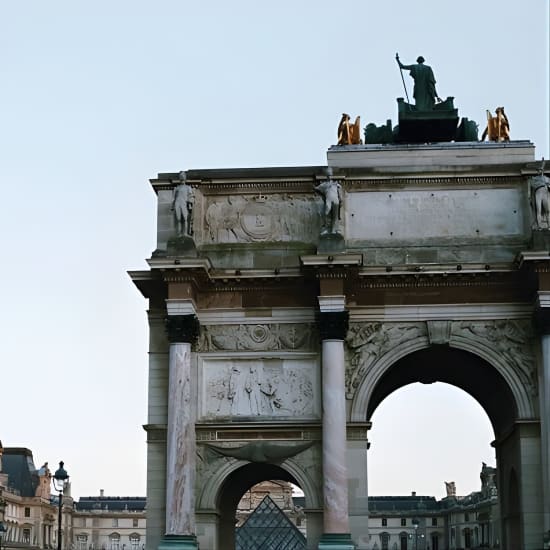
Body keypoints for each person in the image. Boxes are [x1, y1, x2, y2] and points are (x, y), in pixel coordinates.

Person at [314, 167, 342, 234]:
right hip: (328, 200)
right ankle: (326, 228)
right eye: (328, 175)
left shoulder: (335, 184)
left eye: (330, 175)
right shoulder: (324, 185)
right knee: (326, 213)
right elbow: (316, 188)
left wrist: (341, 199)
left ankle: (334, 229)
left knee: (335, 216)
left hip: (336, 200)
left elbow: (339, 192)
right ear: (327, 176)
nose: (329, 177)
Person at [171, 171, 194, 236]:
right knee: (178, 219)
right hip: (177, 203)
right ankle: (179, 234)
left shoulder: (188, 187)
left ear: (185, 177)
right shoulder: (176, 188)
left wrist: (190, 203)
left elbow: (191, 196)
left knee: (185, 218)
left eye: (183, 175)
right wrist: (172, 206)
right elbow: (174, 198)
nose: (182, 176)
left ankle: (185, 233)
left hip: (184, 203)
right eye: (181, 175)